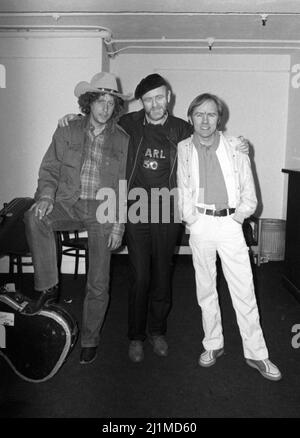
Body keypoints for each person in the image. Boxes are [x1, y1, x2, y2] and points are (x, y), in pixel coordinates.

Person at [59, 73, 249, 364]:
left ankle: (157, 331)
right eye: (148, 99)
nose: (155, 103)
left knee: (162, 274)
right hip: (136, 210)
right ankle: (135, 336)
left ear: (169, 97)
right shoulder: (129, 123)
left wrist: (238, 144)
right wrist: (74, 116)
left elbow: (212, 138)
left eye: (160, 97)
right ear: (143, 103)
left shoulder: (183, 129)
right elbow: (98, 122)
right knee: (140, 276)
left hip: (168, 210)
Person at [24, 72, 131, 365]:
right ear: (89, 101)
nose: (105, 108)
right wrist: (46, 197)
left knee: (98, 280)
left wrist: (119, 224)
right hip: (68, 203)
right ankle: (49, 285)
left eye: (111, 103)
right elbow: (49, 169)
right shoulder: (67, 129)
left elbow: (123, 183)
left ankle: (90, 339)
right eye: (100, 100)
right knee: (34, 217)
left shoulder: (122, 140)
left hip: (102, 211)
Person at [177, 92, 282, 381]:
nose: (205, 120)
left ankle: (257, 353)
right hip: (201, 226)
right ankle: (213, 344)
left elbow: (250, 191)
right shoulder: (183, 148)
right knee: (205, 289)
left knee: (244, 290)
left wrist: (238, 216)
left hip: (230, 225)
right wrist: (192, 220)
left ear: (219, 118)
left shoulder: (236, 146)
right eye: (199, 114)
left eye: (211, 114)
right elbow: (183, 187)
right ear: (191, 118)